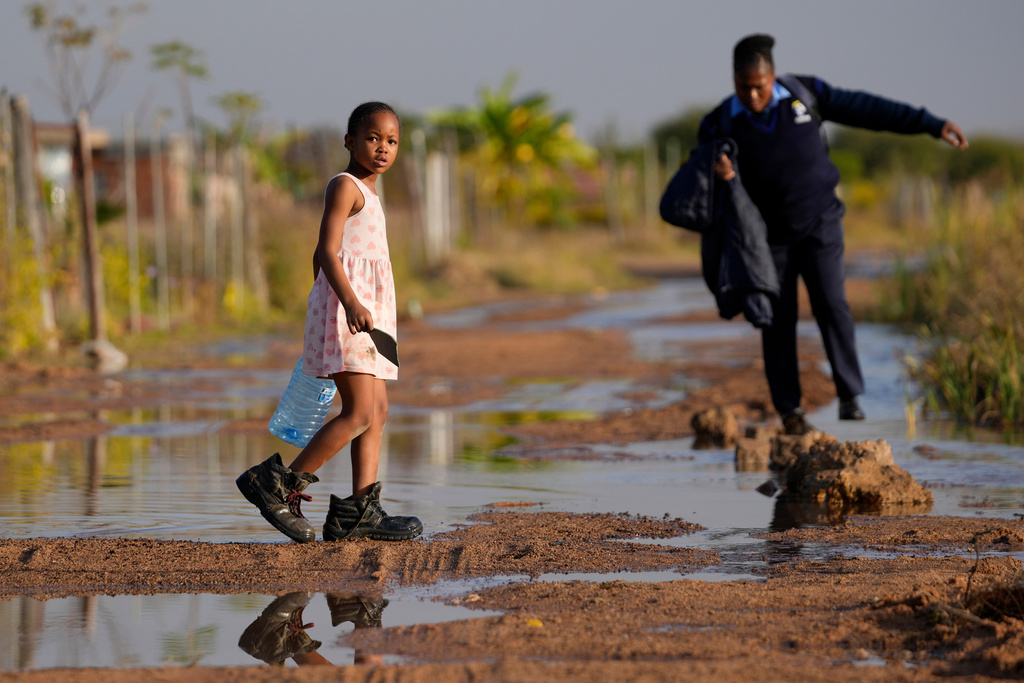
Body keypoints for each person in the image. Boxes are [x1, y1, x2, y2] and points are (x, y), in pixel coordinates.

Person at [698, 34, 969, 434]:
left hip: (820, 223)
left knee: (831, 303)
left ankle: (850, 395)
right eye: (744, 87)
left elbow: (869, 109)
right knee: (777, 319)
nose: (753, 95)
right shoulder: (720, 121)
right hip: (768, 240)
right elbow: (696, 173)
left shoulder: (806, 92)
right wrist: (715, 169)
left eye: (761, 85)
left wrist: (929, 123)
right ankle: (790, 411)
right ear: (734, 81)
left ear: (773, 76)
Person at [237, 102, 422, 543]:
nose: (382, 148)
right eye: (373, 138)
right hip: (350, 312)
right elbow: (325, 250)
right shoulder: (345, 186)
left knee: (376, 411)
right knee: (358, 411)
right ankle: (278, 482)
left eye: (391, 141)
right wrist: (345, 303)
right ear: (350, 141)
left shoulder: (372, 196)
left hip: (366, 315)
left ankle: (359, 513)